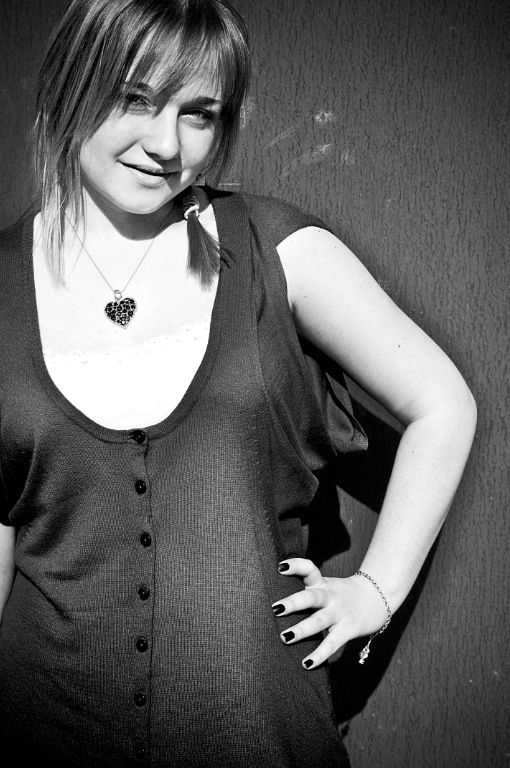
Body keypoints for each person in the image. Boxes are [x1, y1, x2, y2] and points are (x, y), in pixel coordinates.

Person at [0, 0, 476, 766]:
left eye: (199, 113)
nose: (167, 144)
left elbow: (443, 404)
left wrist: (375, 591)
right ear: (70, 83)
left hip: (261, 736)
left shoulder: (276, 250)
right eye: (136, 99)